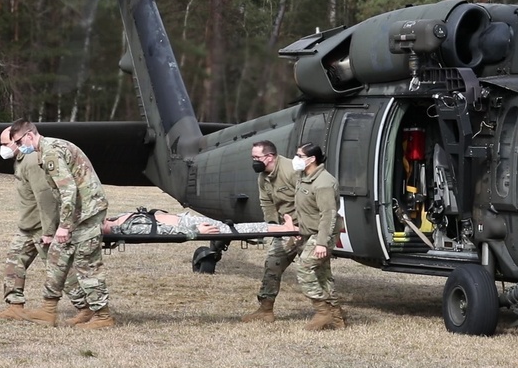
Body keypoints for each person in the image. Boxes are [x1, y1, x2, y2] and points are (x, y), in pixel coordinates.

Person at [11, 118, 115, 330]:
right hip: (78, 214)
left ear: (30, 135)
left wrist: (64, 226)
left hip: (86, 215)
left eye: (20, 142)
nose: (20, 147)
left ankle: (103, 316)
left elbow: (68, 190)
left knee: (87, 264)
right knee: (56, 257)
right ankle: (48, 310)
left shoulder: (50, 152)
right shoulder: (48, 148)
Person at [0, 126, 59, 321]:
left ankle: (87, 308)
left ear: (17, 141)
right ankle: (15, 305)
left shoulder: (30, 161)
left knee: (58, 269)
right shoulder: (20, 160)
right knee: (14, 261)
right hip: (27, 227)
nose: (2, 148)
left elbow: (45, 197)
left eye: (5, 144)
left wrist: (49, 231)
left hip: (41, 227)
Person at [241, 140, 301, 323]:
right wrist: (274, 227)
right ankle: (265, 309)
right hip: (286, 229)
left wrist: (302, 228)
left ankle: (330, 311)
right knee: (272, 264)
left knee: (314, 270)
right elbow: (266, 203)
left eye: (256, 157)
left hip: (306, 227)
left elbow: (307, 200)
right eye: (252, 157)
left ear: (269, 157)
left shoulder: (292, 170)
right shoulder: (263, 177)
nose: (254, 161)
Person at [292, 142, 346, 330]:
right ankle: (337, 319)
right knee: (323, 276)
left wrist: (322, 243)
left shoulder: (323, 182)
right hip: (310, 233)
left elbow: (328, 214)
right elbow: (304, 208)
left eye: (299, 155)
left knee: (304, 267)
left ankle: (323, 312)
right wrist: (300, 231)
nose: (296, 159)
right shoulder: (304, 177)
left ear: (311, 159)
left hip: (322, 235)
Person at [101, 209, 297, 237]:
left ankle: (284, 228)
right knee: (236, 229)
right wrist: (195, 230)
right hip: (190, 224)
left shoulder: (114, 219)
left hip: (186, 218)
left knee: (232, 227)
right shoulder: (125, 228)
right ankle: (285, 229)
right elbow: (165, 231)